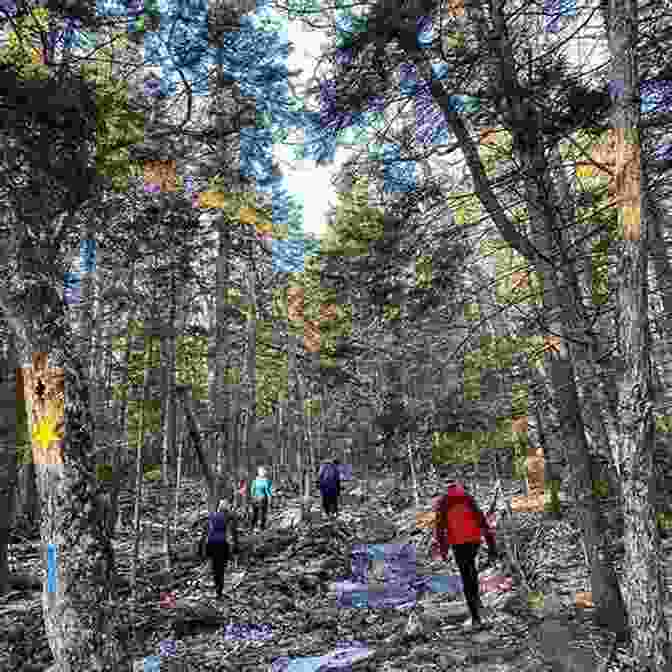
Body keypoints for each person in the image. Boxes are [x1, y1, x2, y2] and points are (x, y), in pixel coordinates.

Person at [433, 480, 498, 630]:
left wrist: (443, 550)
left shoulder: (443, 501)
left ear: (446, 489)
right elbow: (481, 520)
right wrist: (491, 544)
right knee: (472, 569)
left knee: (465, 575)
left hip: (457, 543)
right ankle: (477, 602)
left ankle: (475, 617)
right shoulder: (467, 497)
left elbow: (439, 527)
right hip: (474, 540)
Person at [202, 498, 239, 600]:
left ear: (219, 507)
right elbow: (233, 533)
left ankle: (216, 588)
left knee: (214, 567)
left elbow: (205, 532)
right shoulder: (229, 517)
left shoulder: (211, 516)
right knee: (221, 569)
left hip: (211, 544)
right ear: (226, 507)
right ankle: (219, 591)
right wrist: (236, 548)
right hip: (222, 544)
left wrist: (201, 548)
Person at [250, 466, 273, 531]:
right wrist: (270, 499)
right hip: (262, 499)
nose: (264, 473)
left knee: (255, 513)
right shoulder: (266, 481)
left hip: (255, 499)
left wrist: (252, 497)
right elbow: (268, 491)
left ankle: (253, 526)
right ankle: (261, 527)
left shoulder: (255, 480)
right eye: (263, 471)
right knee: (262, 513)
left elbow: (252, 490)